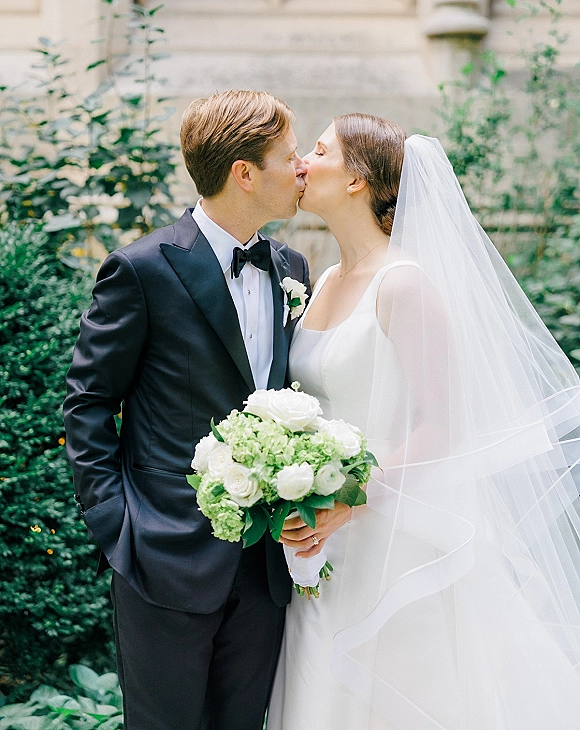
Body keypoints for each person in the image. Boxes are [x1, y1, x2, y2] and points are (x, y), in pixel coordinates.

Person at [269, 114, 580, 730]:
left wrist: (348, 500)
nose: (303, 162)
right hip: (320, 539)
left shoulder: (405, 284)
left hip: (391, 533)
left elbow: (443, 427)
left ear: (357, 179)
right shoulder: (324, 278)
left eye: (320, 150)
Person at [63, 90, 311, 730]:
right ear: (245, 173)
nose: (302, 168)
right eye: (289, 157)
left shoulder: (292, 267)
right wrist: (118, 529)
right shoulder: (141, 270)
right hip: (161, 556)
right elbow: (89, 404)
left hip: (264, 564)